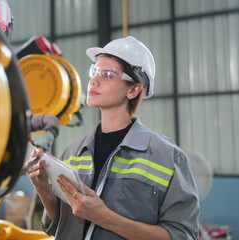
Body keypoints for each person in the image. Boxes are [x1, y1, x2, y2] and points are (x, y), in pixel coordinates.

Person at [25, 36, 200, 240]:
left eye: (108, 75)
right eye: (94, 71)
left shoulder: (168, 157)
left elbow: (182, 236)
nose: (94, 80)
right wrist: (43, 189)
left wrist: (104, 217)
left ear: (134, 90)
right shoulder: (73, 152)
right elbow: (59, 226)